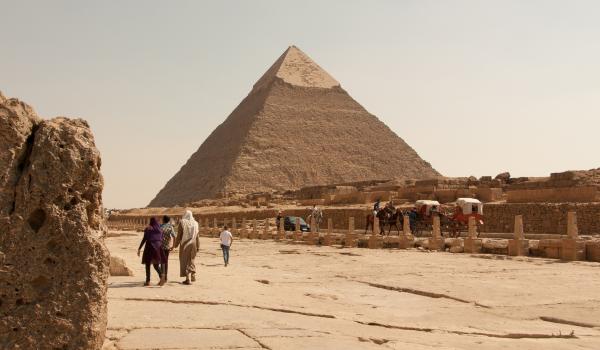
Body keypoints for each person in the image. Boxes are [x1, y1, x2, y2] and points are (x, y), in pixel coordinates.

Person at [137, 217, 167, 286]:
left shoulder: (148, 229)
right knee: (156, 265)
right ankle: (161, 276)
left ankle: (148, 281)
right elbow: (161, 239)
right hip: (158, 247)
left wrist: (139, 248)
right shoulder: (160, 229)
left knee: (148, 264)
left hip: (150, 247)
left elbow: (144, 239)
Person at [173, 210, 199, 285]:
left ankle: (187, 279)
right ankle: (193, 272)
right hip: (193, 243)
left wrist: (176, 244)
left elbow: (179, 235)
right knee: (191, 259)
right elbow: (197, 236)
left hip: (185, 244)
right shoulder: (196, 223)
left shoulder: (182, 222)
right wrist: (198, 246)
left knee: (185, 260)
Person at [160, 215, 176, 282]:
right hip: (167, 247)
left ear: (163, 220)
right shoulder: (170, 227)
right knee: (166, 262)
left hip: (160, 246)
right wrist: (173, 246)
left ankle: (162, 276)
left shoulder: (160, 226)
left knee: (161, 262)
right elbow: (174, 236)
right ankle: (165, 277)